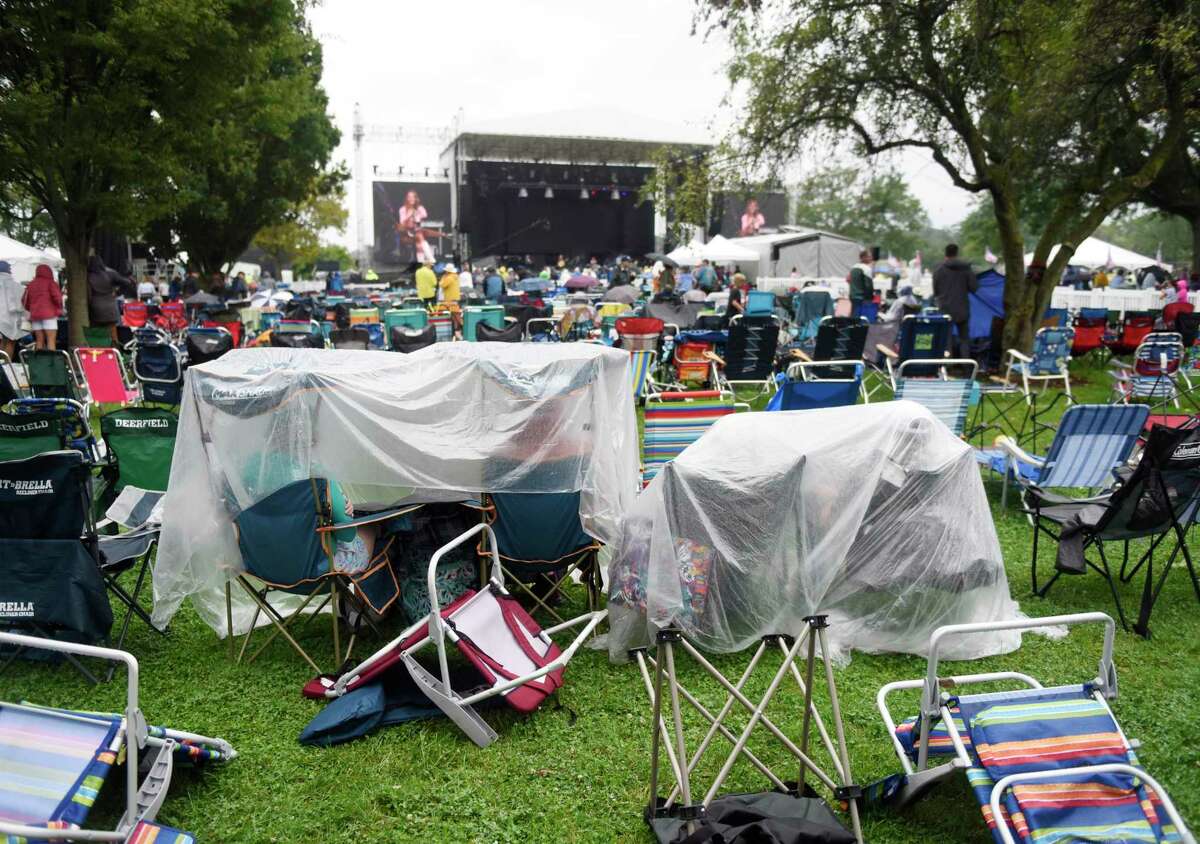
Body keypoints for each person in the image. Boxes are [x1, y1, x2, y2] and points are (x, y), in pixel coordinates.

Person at [931, 243, 978, 358]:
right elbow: (974, 288)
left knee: (946, 338)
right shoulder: (966, 268)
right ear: (957, 253)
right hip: (963, 308)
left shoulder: (939, 269)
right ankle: (966, 365)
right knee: (964, 339)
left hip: (945, 308)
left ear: (945, 254)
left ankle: (947, 365)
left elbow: (935, 290)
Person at [87, 255, 134, 342]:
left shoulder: (87, 276)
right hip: (111, 308)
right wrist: (117, 293)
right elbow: (127, 282)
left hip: (95, 309)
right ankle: (115, 352)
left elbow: (88, 295)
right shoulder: (110, 273)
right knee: (113, 335)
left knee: (97, 336)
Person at [22, 263, 63, 350]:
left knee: (39, 341)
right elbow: (58, 298)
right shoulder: (51, 283)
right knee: (51, 341)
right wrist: (58, 308)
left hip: (35, 315)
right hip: (49, 315)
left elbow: (24, 300)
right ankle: (51, 362)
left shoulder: (31, 285)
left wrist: (31, 308)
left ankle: (39, 362)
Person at [397, 190, 435, 263]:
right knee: (420, 237)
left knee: (419, 242)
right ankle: (431, 259)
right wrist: (409, 215)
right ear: (406, 199)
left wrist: (418, 214)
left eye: (413, 197)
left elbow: (425, 214)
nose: (411, 198)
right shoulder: (402, 209)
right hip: (405, 233)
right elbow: (402, 223)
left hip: (415, 232)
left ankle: (421, 262)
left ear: (416, 198)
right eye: (409, 197)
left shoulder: (418, 207)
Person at [0, 261, 25, 359]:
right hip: (11, 319)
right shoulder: (16, 286)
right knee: (11, 342)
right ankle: (6, 367)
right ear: (8, 270)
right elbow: (22, 303)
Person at [848, 249, 875, 318]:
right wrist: (870, 297)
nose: (871, 258)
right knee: (861, 318)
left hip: (852, 295)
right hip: (862, 297)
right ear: (863, 258)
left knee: (854, 315)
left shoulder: (854, 267)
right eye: (869, 257)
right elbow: (868, 286)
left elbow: (848, 279)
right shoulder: (866, 269)